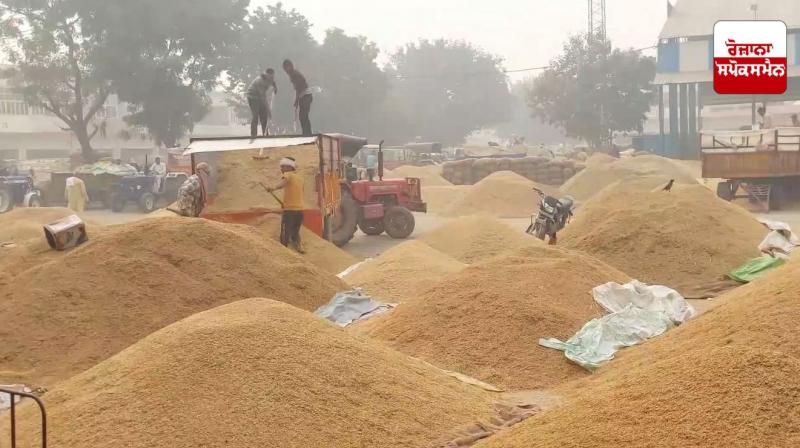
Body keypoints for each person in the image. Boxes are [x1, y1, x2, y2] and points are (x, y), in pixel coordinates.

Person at [266, 157, 305, 253]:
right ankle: (299, 247)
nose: (281, 169)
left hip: (290, 210)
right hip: (299, 210)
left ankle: (284, 252)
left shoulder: (288, 175)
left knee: (285, 232)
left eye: (282, 167)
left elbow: (283, 183)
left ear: (289, 167)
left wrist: (272, 188)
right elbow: (297, 192)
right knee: (295, 231)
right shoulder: (300, 178)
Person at [283, 59, 313, 136]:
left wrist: (296, 100)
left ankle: (307, 134)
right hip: (304, 96)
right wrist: (297, 100)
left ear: (290, 66)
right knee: (303, 116)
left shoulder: (294, 74)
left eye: (286, 68)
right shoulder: (293, 74)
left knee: (303, 116)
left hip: (305, 95)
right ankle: (306, 133)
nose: (285, 70)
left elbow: (299, 88)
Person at [247, 70, 278, 138]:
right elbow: (263, 97)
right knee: (255, 115)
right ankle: (253, 134)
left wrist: (275, 88)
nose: (272, 78)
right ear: (267, 75)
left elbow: (273, 83)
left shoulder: (270, 79)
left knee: (264, 116)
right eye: (270, 77)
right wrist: (268, 110)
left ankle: (265, 133)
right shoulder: (260, 81)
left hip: (260, 97)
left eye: (273, 77)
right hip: (252, 97)